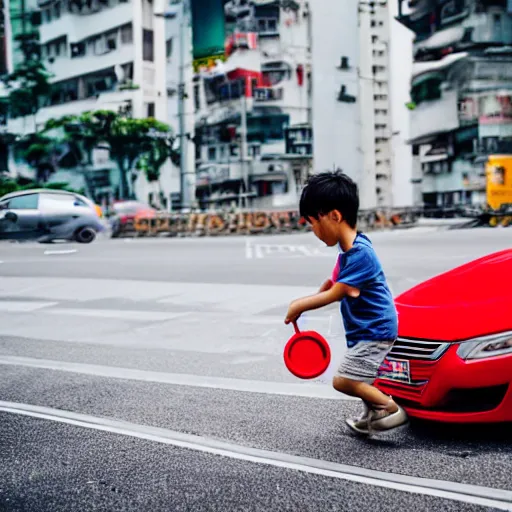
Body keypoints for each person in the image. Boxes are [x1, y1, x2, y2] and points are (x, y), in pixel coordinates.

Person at [284, 170, 407, 436]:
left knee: (344, 380)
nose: (314, 231)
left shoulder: (361, 254)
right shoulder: (350, 250)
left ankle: (390, 408)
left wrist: (300, 305)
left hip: (376, 330)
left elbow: (335, 293)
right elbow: (331, 284)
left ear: (334, 216)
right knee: (358, 375)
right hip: (364, 328)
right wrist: (316, 294)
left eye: (313, 223)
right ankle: (370, 415)